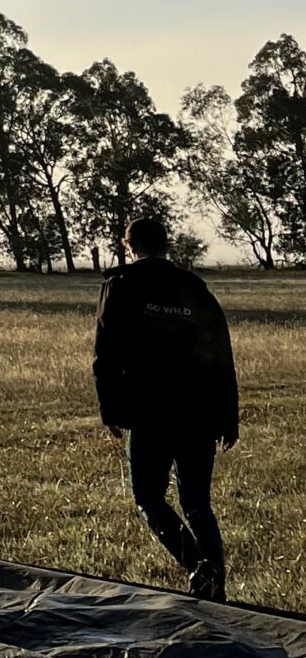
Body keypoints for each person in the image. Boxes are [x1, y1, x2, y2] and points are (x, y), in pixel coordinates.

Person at [93, 214, 239, 601]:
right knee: (197, 502)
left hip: (149, 413)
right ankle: (215, 586)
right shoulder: (194, 287)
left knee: (148, 497)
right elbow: (221, 354)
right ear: (166, 244)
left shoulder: (121, 285)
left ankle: (198, 567)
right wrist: (228, 418)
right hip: (200, 411)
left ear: (128, 246)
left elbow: (105, 354)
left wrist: (111, 409)